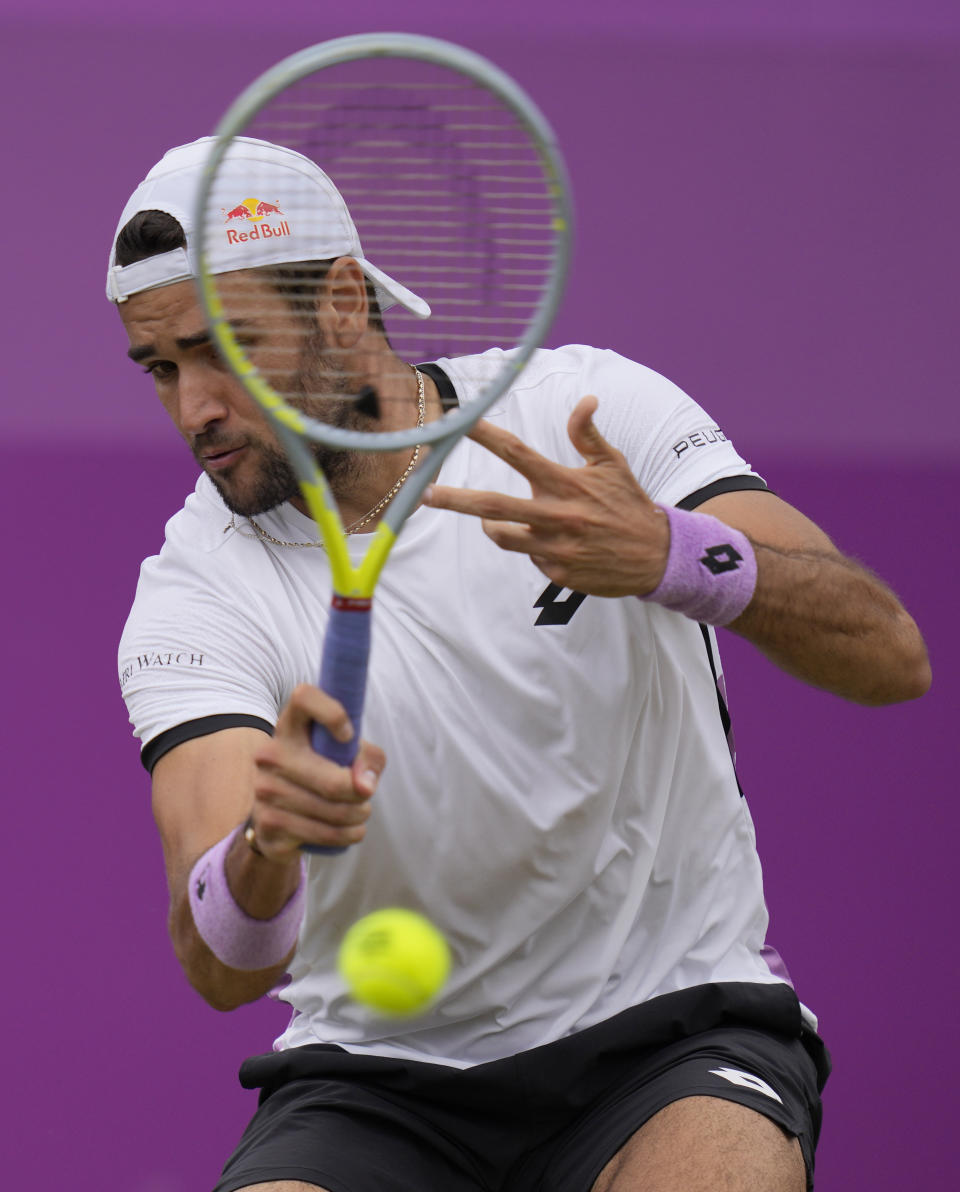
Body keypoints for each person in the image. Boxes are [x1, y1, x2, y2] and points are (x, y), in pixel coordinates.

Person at [108, 137, 930, 1192]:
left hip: (672, 1035)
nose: (194, 410)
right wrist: (269, 843)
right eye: (162, 368)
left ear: (344, 303)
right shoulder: (194, 590)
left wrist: (677, 557)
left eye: (225, 348)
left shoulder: (584, 415)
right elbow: (223, 963)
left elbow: (886, 650)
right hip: (379, 1085)